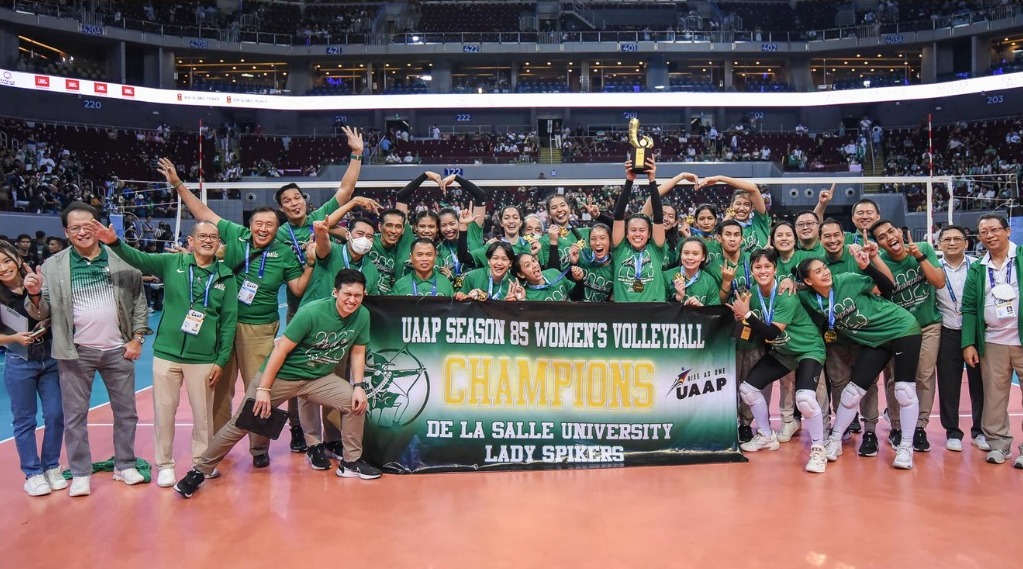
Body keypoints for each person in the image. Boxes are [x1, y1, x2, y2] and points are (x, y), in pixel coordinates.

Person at [173, 269, 382, 499]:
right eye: (347, 294)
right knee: (242, 423)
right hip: (283, 376)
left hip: (317, 378)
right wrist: (264, 389)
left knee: (354, 402)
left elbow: (358, 352)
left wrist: (359, 386)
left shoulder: (362, 315)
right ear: (335, 292)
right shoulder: (312, 313)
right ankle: (199, 471)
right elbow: (280, 350)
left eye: (357, 295)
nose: (352, 300)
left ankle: (350, 463)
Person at [162, 158, 316, 468]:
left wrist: (311, 262)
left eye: (269, 225)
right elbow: (203, 213)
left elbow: (298, 289)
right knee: (219, 388)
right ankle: (218, 446)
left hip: (259, 329)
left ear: (277, 229)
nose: (263, 229)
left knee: (259, 389)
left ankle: (259, 449)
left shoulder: (284, 253)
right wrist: (178, 184)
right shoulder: (235, 235)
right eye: (259, 223)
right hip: (222, 325)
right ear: (250, 224)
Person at [91, 219, 238, 488]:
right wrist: (114, 242)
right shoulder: (172, 263)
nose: (208, 240)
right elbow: (139, 259)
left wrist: (221, 359)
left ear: (219, 243)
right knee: (164, 411)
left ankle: (202, 463)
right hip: (167, 354)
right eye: (202, 236)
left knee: (204, 416)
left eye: (214, 237)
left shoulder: (226, 277)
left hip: (204, 358)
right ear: (190, 241)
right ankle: (165, 464)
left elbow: (229, 322)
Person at [33, 202, 150, 496]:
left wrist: (137, 338)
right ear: (66, 232)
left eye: (88, 225)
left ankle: (125, 465)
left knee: (126, 413)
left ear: (98, 226)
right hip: (75, 352)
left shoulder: (121, 258)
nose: (82, 232)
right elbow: (42, 312)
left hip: (118, 350)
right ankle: (81, 472)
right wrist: (34, 294)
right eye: (75, 228)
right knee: (74, 417)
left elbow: (139, 300)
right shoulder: (53, 265)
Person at [797, 252, 922, 470]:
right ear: (808, 281)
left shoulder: (847, 280)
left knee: (904, 390)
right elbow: (792, 288)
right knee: (852, 392)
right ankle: (835, 439)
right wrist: (790, 282)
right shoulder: (808, 297)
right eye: (818, 271)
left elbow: (888, 287)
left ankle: (906, 447)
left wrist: (867, 267)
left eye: (824, 268)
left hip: (902, 329)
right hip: (875, 340)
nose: (825, 272)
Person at [727, 249, 828, 473]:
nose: (763, 271)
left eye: (767, 266)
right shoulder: (752, 295)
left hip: (807, 349)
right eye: (758, 267)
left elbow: (772, 332)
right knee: (748, 389)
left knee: (805, 399)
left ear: (775, 269)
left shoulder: (785, 293)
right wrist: (742, 318)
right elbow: (754, 327)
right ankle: (766, 435)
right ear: (751, 270)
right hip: (783, 351)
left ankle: (818, 449)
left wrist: (747, 315)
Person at [871, 218, 945, 452]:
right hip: (898, 330)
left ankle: (919, 427)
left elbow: (939, 282)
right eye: (881, 237)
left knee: (923, 376)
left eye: (890, 231)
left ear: (900, 231)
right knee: (897, 379)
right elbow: (879, 292)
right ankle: (897, 426)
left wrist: (920, 258)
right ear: (879, 244)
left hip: (927, 325)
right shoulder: (879, 261)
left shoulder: (922, 249)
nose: (889, 237)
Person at [0, 242, 64, 496]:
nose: (3, 268)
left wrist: (36, 292)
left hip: (50, 359)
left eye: (6, 260)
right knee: (25, 420)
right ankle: (33, 473)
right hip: (19, 362)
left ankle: (51, 466)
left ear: (17, 259)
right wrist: (13, 338)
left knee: (56, 414)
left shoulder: (38, 282)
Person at [961, 214, 1023, 466]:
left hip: (1021, 338)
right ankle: (999, 445)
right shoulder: (978, 268)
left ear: (1007, 231)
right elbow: (968, 307)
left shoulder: (1021, 257)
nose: (989, 235)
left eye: (994, 229)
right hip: (993, 341)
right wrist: (968, 342)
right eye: (983, 232)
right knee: (994, 397)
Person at [934, 225, 986, 452]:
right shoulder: (933, 269)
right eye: (947, 239)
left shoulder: (979, 267)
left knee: (980, 384)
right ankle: (953, 432)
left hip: (976, 333)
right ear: (939, 244)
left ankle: (980, 431)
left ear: (967, 243)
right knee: (948, 384)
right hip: (948, 332)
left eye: (957, 239)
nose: (952, 243)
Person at [610, 157, 666, 302]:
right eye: (633, 230)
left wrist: (652, 179)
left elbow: (658, 218)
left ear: (649, 234)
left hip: (654, 312)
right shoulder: (620, 250)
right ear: (626, 234)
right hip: (625, 313)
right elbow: (618, 216)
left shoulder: (656, 251)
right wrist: (629, 180)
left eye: (642, 230)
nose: (637, 234)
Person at [704, 175, 769, 252]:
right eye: (738, 204)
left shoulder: (760, 222)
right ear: (731, 206)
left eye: (746, 204)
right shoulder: (725, 230)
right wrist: (724, 224)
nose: (741, 208)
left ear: (752, 208)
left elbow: (754, 189)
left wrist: (720, 178)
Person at [663, 237, 721, 306]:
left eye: (695, 254)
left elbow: (715, 311)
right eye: (686, 253)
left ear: (703, 257)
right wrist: (677, 298)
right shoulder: (666, 276)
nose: (690, 258)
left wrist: (701, 307)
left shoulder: (709, 281)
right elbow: (660, 308)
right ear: (680, 255)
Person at [390, 238, 455, 297]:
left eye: (429, 254)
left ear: (435, 257)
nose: (424, 259)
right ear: (411, 258)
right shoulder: (400, 285)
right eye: (419, 255)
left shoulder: (445, 283)